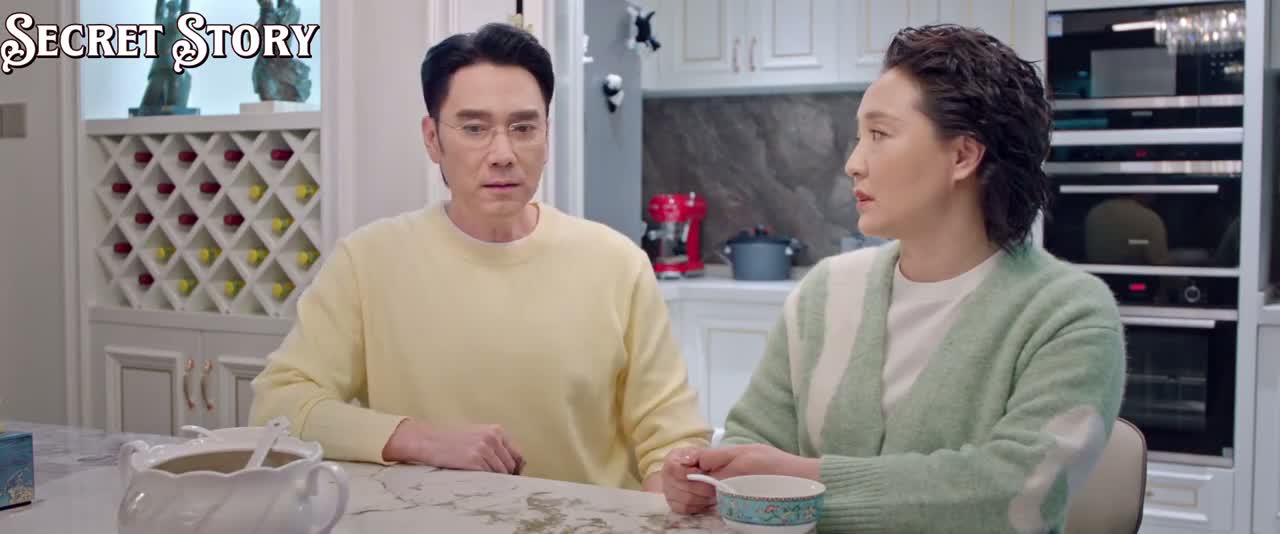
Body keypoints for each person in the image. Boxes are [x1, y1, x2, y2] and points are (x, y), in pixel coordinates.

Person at [660, 24, 1127, 533]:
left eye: (879, 135)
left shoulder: (1069, 314)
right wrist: (712, 477)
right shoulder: (825, 292)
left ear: (963, 156)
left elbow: (1015, 494)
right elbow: (753, 438)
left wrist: (806, 480)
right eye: (858, 138)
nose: (853, 164)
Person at [250, 22, 711, 492]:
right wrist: (419, 440)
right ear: (433, 139)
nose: (503, 154)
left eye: (523, 128)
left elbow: (673, 440)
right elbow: (277, 406)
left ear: (547, 135)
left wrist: (674, 483)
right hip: (424, 519)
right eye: (474, 128)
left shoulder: (617, 264)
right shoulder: (367, 261)